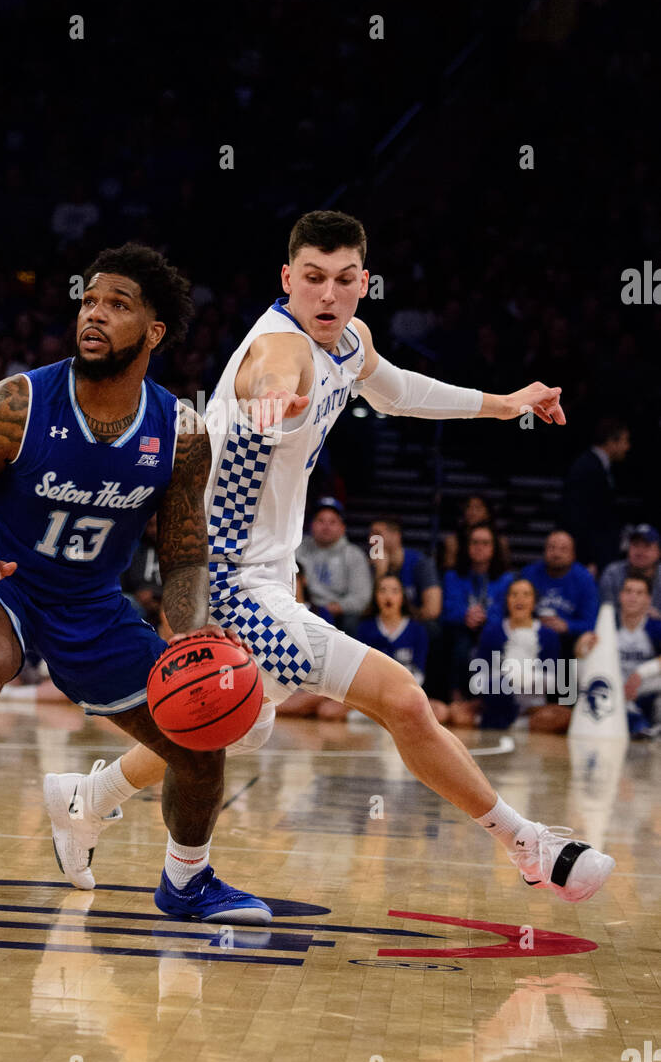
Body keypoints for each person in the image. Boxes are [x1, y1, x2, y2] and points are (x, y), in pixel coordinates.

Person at [67, 209, 614, 904]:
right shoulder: (279, 350)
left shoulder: (350, 340)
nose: (328, 295)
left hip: (268, 576)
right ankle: (528, 843)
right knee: (404, 702)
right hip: (228, 583)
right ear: (287, 279)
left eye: (344, 280)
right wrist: (273, 408)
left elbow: (397, 391)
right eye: (314, 279)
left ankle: (88, 797)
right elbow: (272, 383)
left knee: (226, 723)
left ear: (364, 283)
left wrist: (504, 404)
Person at [0, 243, 268, 926]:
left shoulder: (180, 433)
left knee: (201, 734)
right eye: (89, 300)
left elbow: (183, 555)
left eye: (118, 305)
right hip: (1, 580)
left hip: (92, 604)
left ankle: (187, 883)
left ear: (154, 332)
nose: (95, 313)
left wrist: (193, 628)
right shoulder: (19, 403)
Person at [450, 577, 564, 732]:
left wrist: (525, 679)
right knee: (457, 713)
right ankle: (503, 721)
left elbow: (553, 680)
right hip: (495, 700)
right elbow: (478, 677)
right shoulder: (492, 631)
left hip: (532, 706)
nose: (520, 599)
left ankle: (512, 724)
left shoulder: (548, 635)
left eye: (526, 594)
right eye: (514, 594)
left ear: (534, 601)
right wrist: (501, 682)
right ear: (507, 600)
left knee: (562, 716)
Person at [576, 571, 661, 739]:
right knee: (572, 666)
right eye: (628, 591)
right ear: (620, 595)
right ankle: (577, 713)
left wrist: (641, 673)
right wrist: (582, 648)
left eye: (639, 593)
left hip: (640, 687)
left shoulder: (655, 627)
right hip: (610, 685)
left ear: (648, 599)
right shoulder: (607, 622)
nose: (632, 597)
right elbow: (580, 653)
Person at [442, 523, 514, 700]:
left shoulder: (506, 578)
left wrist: (485, 617)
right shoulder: (452, 576)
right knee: (460, 644)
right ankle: (456, 697)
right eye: (474, 543)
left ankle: (489, 699)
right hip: (460, 628)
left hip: (494, 629)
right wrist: (465, 615)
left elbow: (506, 610)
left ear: (494, 548)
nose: (479, 547)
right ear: (467, 547)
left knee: (490, 639)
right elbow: (447, 609)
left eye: (485, 543)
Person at [356, 573, 439, 715]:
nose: (388, 596)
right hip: (371, 697)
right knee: (329, 711)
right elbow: (360, 671)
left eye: (395, 591)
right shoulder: (365, 628)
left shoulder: (417, 629)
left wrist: (399, 694)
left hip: (406, 695)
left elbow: (419, 672)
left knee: (440, 711)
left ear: (403, 597)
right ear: (375, 596)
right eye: (382, 590)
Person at [560, 418, 630, 573]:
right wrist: (588, 559)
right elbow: (579, 517)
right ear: (612, 441)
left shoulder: (599, 466)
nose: (627, 447)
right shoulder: (587, 467)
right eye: (625, 441)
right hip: (590, 556)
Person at [296, 497, 372, 632]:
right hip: (302, 608)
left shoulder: (354, 555)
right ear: (311, 524)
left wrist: (333, 608)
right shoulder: (297, 548)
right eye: (321, 521)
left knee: (351, 621)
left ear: (343, 527)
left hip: (338, 614)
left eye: (332, 522)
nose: (326, 526)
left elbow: (361, 598)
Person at [513, 530, 599, 648]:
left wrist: (567, 626)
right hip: (530, 638)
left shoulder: (584, 579)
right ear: (544, 550)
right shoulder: (529, 574)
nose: (556, 553)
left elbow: (591, 623)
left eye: (563, 549)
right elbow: (512, 611)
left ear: (573, 554)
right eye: (552, 548)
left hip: (568, 645)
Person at [368, 515, 442, 620]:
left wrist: (401, 617)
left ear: (396, 536)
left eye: (377, 534)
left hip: (414, 623)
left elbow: (432, 611)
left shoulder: (421, 562)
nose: (371, 540)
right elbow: (366, 611)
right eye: (370, 534)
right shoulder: (370, 565)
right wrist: (381, 573)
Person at [599, 524, 661, 617]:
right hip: (619, 629)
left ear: (658, 552)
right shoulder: (613, 573)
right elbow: (607, 611)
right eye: (635, 545)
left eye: (647, 546)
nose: (640, 551)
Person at [439, 493, 512, 573]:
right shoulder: (453, 542)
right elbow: (448, 571)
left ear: (487, 513)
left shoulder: (500, 541)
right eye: (468, 507)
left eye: (478, 508)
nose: (472, 512)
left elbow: (505, 569)